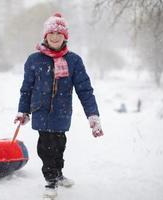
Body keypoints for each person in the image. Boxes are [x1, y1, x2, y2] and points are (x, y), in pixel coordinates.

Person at [14, 13, 103, 199]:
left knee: (59, 144)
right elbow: (26, 89)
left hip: (62, 112)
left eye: (59, 33)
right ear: (45, 35)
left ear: (65, 36)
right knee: (46, 147)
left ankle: (59, 174)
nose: (55, 36)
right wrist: (23, 110)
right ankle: (51, 181)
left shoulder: (74, 61)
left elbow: (85, 90)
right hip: (40, 111)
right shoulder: (34, 60)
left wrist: (93, 115)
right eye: (51, 33)